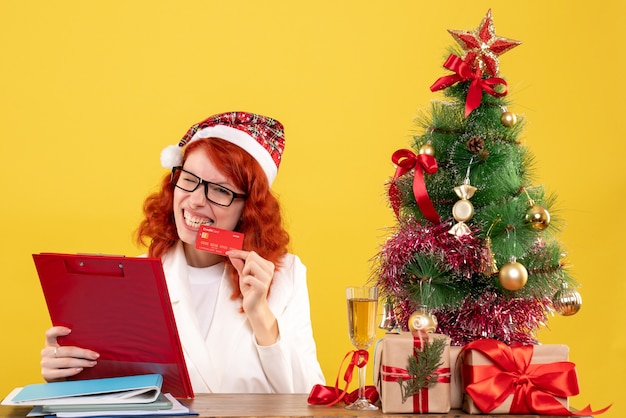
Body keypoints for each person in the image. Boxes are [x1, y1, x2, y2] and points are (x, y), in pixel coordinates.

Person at [40, 111, 326, 393]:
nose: (196, 201)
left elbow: (311, 396)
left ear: (249, 209)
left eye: (220, 191)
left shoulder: (286, 274)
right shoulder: (131, 280)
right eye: (189, 179)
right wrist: (66, 376)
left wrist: (261, 315)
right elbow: (114, 395)